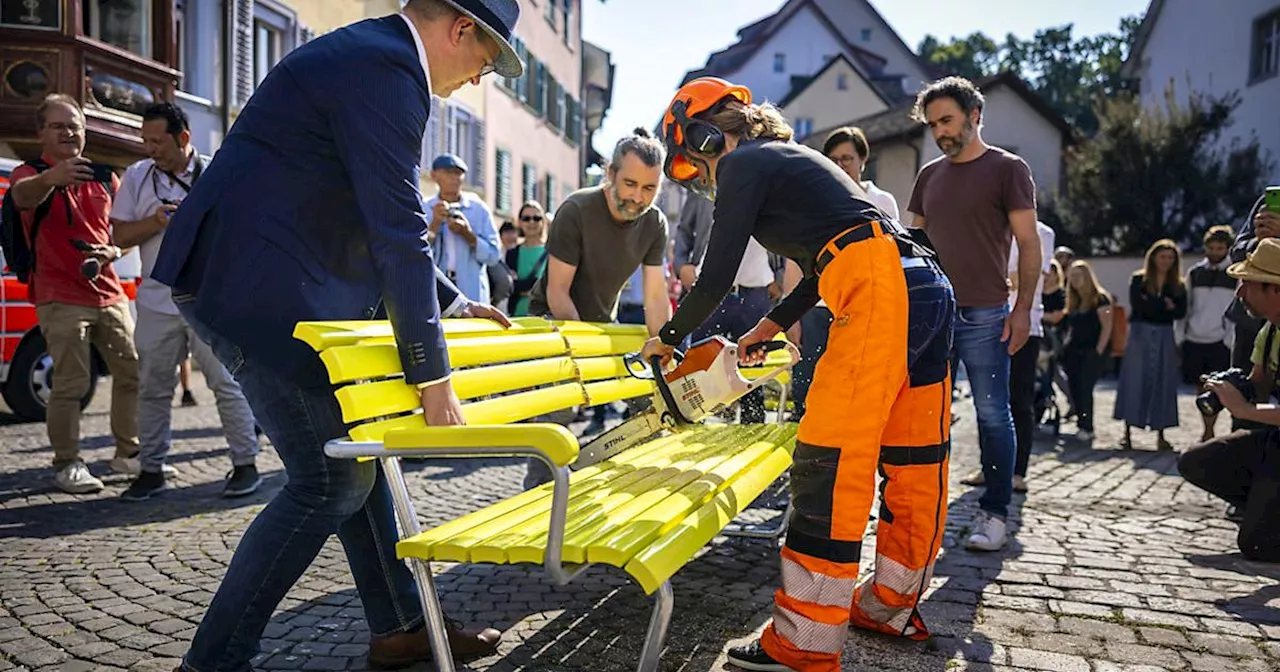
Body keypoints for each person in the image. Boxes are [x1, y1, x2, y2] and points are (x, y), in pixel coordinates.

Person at [148, 1, 520, 669]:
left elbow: (369, 210)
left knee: (357, 462)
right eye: (485, 65)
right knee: (329, 482)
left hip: (268, 284)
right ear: (461, 29)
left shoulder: (378, 59)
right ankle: (214, 659)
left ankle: (400, 625)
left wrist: (452, 301)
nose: (476, 81)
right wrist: (433, 379)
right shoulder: (386, 69)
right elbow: (397, 228)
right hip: (249, 288)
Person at [642, 76, 955, 672]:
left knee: (829, 460)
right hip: (922, 282)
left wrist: (669, 337)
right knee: (915, 460)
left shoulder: (744, 165)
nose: (700, 177)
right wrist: (772, 323)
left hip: (879, 289)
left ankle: (803, 643)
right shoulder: (792, 159)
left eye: (692, 162)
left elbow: (713, 278)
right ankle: (891, 605)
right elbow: (828, 259)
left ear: (706, 136)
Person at [906, 76, 1041, 552]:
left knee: (992, 415)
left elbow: (1029, 244)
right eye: (933, 124)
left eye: (947, 120)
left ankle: (995, 513)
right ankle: (922, 515)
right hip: (932, 316)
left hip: (987, 314)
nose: (940, 131)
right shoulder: (928, 176)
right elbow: (913, 248)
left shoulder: (1009, 169)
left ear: (974, 115)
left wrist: (1022, 310)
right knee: (926, 415)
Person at [111, 101, 263, 501]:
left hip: (211, 302)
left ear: (184, 138)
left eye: (158, 141)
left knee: (226, 384)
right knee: (152, 388)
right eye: (145, 141)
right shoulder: (137, 177)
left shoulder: (217, 172)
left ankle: (245, 465)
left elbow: (244, 232)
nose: (150, 149)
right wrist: (155, 222)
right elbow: (119, 237)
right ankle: (151, 469)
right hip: (156, 302)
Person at [7, 93, 140, 494]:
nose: (69, 132)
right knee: (71, 383)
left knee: (132, 372)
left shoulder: (104, 177)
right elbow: (20, 198)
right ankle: (68, 464)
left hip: (108, 290)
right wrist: (52, 177)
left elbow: (123, 232)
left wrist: (114, 251)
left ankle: (128, 454)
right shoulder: (27, 173)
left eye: (76, 126)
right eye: (59, 125)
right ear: (41, 133)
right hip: (58, 293)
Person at [525, 128, 672, 452]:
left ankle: (641, 476)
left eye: (650, 188)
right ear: (611, 174)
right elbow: (558, 291)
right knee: (557, 421)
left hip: (604, 325)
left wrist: (664, 343)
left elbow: (656, 296)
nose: (638, 197)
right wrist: (582, 352)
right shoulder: (576, 210)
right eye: (630, 184)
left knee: (651, 399)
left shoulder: (655, 223)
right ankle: (539, 489)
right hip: (555, 321)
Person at [786, 125, 900, 419]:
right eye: (833, 159)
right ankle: (806, 457)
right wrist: (790, 317)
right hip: (817, 309)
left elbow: (894, 257)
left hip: (867, 309)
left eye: (847, 158)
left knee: (859, 387)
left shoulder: (882, 202)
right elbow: (795, 261)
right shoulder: (811, 203)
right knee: (807, 385)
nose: (840, 165)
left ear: (863, 160)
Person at [1178, 237, 1280, 562]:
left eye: (1246, 285)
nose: (1238, 294)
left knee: (1258, 546)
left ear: (1274, 289)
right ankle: (1269, 506)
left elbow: (1253, 406)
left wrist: (1245, 409)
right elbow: (1259, 385)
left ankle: (1267, 514)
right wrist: (1230, 387)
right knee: (1196, 461)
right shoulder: (1270, 331)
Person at [674, 190, 776, 423]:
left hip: (754, 294)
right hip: (712, 291)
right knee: (701, 363)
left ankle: (752, 433)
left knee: (752, 369)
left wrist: (778, 277)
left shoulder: (764, 184)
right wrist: (682, 266)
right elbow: (684, 229)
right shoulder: (703, 186)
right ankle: (693, 428)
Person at [1114, 239, 1187, 451]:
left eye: (1170, 257)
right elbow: (1140, 306)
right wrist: (1164, 305)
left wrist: (1158, 305)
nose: (1166, 261)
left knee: (1163, 381)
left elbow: (1180, 312)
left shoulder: (1178, 285)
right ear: (1153, 257)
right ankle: (1127, 432)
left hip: (1165, 334)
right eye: (1162, 256)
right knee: (1134, 379)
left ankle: (1161, 433)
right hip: (1140, 333)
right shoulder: (1139, 280)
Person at [1007, 220, 1055, 492]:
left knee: (1020, 401)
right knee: (989, 401)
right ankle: (988, 465)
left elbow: (1035, 275)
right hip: (990, 320)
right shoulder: (992, 223)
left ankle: (1018, 471)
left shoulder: (1042, 233)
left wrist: (999, 277)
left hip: (1027, 325)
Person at [1179, 225, 1238, 441]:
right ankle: (1207, 428)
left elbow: (1236, 307)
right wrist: (1182, 334)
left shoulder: (1234, 272)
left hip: (1220, 339)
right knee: (1200, 387)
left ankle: (1220, 428)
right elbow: (1187, 306)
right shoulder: (1195, 272)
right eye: (1211, 247)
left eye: (1220, 248)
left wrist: (1229, 337)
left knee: (1222, 387)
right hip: (1195, 337)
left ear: (1227, 248)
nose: (1215, 252)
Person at [425, 153, 502, 302]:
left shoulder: (478, 209)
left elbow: (494, 256)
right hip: (436, 292)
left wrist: (468, 235)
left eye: (459, 173)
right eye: (448, 172)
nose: (455, 178)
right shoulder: (424, 207)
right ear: (434, 175)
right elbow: (414, 251)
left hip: (471, 292)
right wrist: (434, 224)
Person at [1060, 260, 1113, 441]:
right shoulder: (1074, 302)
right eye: (1071, 276)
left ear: (1087, 276)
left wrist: (1098, 351)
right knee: (1075, 387)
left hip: (1092, 351)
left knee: (1085, 387)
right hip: (1074, 351)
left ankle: (1087, 426)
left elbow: (1107, 327)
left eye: (1078, 275)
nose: (1074, 280)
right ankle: (1080, 424)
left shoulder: (1100, 298)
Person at [505, 200, 548, 317]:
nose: (531, 222)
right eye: (526, 218)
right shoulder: (512, 253)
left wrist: (524, 286)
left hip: (544, 317)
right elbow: (510, 286)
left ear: (543, 221)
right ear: (519, 222)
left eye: (536, 218)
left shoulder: (552, 251)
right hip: (516, 316)